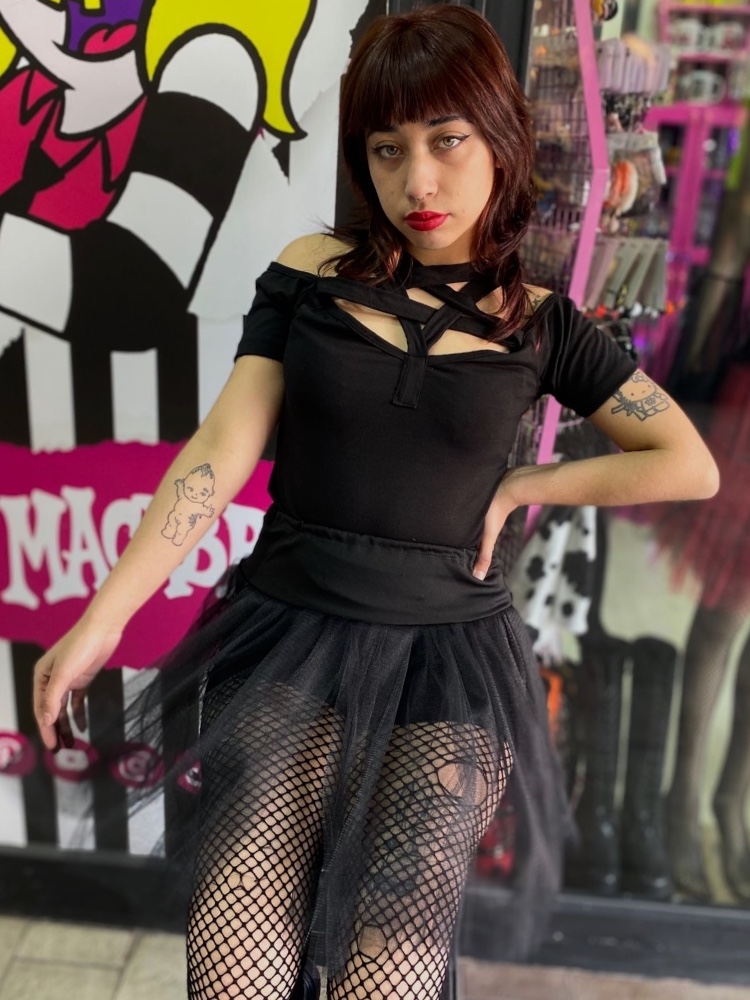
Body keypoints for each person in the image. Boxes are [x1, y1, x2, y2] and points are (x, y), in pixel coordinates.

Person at [32, 6, 718, 1000]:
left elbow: (686, 461)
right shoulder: (310, 276)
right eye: (387, 149)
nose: (417, 182)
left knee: (388, 968)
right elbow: (220, 451)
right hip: (289, 634)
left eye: (447, 141)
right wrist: (105, 617)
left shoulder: (542, 323)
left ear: (501, 137)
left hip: (448, 669)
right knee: (235, 957)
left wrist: (528, 482)